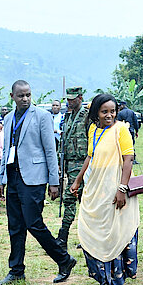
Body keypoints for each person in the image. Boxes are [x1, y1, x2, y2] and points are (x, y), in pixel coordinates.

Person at [0, 80, 76, 285]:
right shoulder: (8, 118)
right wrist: (1, 180)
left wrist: (54, 181)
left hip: (34, 179)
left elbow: (50, 150)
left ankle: (64, 260)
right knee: (15, 226)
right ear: (12, 96)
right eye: (21, 95)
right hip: (13, 177)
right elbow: (6, 151)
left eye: (28, 95)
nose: (25, 99)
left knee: (33, 223)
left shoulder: (42, 116)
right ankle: (16, 271)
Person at [68, 94, 139, 285]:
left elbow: (128, 159)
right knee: (95, 229)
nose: (109, 115)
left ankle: (115, 279)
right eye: (104, 111)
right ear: (96, 113)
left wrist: (122, 189)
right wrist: (78, 180)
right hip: (96, 187)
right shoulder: (93, 129)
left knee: (113, 231)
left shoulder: (121, 129)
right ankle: (102, 276)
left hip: (115, 186)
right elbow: (90, 156)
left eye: (112, 111)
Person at [57, 87, 88, 251]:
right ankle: (69, 236)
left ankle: (65, 236)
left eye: (73, 99)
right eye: (68, 99)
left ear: (80, 98)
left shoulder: (87, 116)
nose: (69, 101)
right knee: (76, 199)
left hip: (82, 163)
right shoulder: (68, 117)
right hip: (69, 163)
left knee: (76, 199)